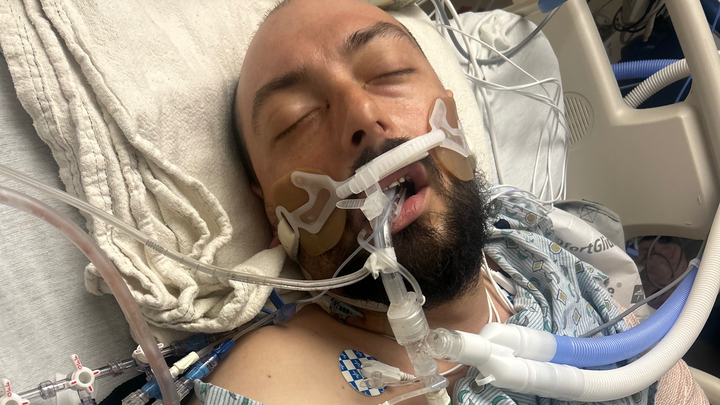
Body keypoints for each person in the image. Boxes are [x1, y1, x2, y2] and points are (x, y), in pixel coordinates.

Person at [190, 0, 709, 403]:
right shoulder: (276, 378)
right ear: (269, 209)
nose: (362, 115)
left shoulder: (524, 231)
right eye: (297, 119)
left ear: (452, 115)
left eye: (388, 72)